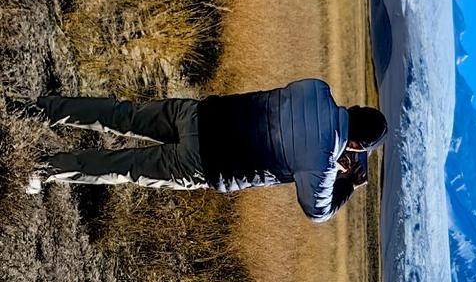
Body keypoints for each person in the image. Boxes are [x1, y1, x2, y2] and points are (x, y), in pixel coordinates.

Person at [18, 80, 387, 215]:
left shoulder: (318, 89)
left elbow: (302, 124)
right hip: (205, 163)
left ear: (355, 108)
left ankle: (38, 110)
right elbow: (316, 211)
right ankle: (42, 168)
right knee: (123, 166)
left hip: (199, 114)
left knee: (123, 115)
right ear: (356, 145)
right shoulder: (321, 165)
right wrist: (346, 185)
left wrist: (334, 150)